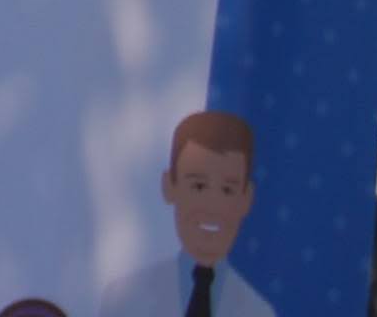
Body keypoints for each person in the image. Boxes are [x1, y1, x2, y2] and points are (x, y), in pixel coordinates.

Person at [93, 112, 276, 317]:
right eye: (198, 186)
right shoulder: (124, 300)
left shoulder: (259, 312)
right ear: (169, 186)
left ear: (246, 198)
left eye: (227, 190)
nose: (212, 206)